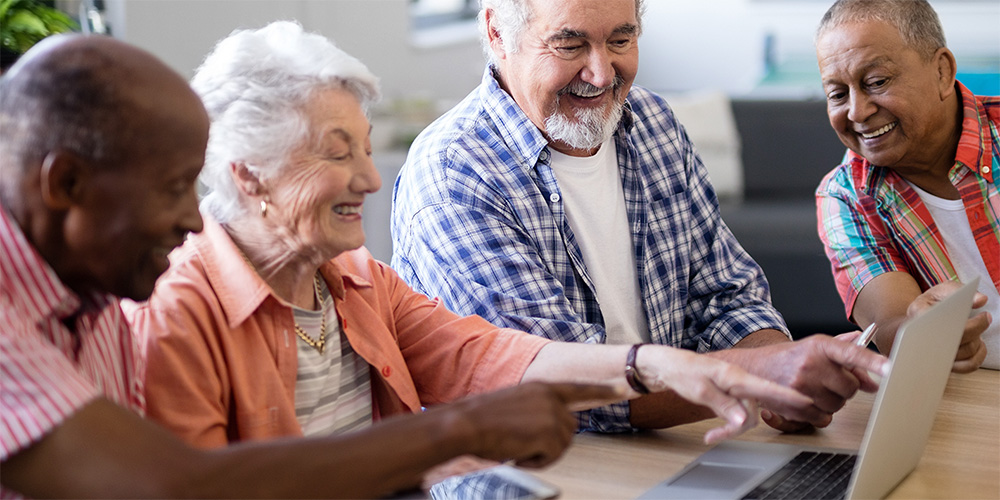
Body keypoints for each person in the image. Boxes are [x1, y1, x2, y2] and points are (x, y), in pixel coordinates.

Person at [124, 19, 828, 479]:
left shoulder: (354, 280)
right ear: (248, 174)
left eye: (366, 151)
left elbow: (499, 355)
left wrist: (675, 366)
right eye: (338, 156)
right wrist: (730, 372)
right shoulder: (179, 310)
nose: (371, 181)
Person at [0, 33, 640, 499]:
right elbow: (178, 487)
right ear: (67, 185)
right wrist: (459, 430)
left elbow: (480, 354)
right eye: (172, 188)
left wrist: (658, 366)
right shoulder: (156, 299)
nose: (194, 220)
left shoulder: (100, 292)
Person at [391, 0, 888, 433]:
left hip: (669, 441)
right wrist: (760, 375)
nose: (602, 73)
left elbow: (725, 295)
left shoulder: (653, 123)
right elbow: (563, 388)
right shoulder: (454, 177)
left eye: (621, 39)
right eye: (570, 45)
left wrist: (783, 378)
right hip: (536, 474)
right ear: (499, 34)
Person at [814, 0, 997, 372]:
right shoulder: (845, 197)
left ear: (942, 72)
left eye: (877, 82)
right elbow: (895, 330)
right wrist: (923, 333)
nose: (857, 111)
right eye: (837, 94)